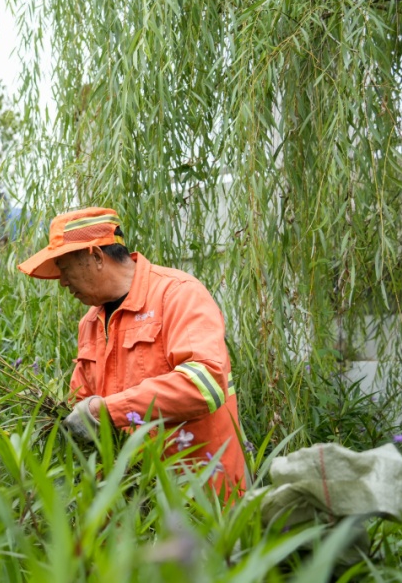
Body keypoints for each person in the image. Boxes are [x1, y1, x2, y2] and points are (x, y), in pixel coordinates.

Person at [17, 207, 245, 494]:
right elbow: (83, 401)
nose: (62, 282)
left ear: (96, 257)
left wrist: (104, 411)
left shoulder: (177, 295)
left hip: (197, 497)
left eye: (64, 268)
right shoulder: (91, 322)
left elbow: (204, 385)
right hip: (130, 502)